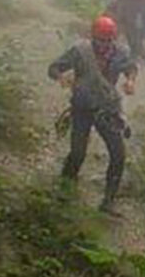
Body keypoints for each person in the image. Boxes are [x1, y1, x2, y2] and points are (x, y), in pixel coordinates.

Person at [48, 15, 138, 214]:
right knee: (78, 152)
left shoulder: (121, 52)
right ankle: (65, 189)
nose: (104, 44)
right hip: (82, 108)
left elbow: (131, 67)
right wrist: (60, 76)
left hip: (107, 109)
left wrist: (130, 80)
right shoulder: (80, 51)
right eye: (101, 39)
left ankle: (108, 201)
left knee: (118, 154)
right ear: (93, 36)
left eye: (108, 40)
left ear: (114, 38)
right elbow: (53, 67)